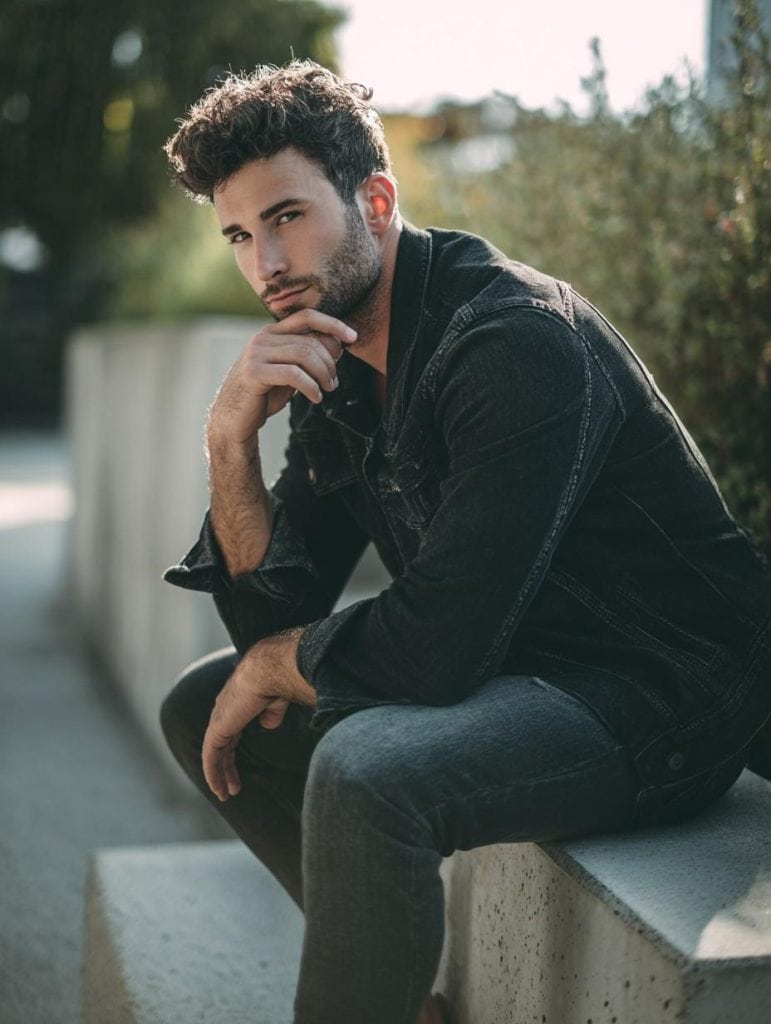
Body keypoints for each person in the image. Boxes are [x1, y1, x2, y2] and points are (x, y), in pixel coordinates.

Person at [159, 60, 771, 1024]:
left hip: (662, 694)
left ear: (375, 198)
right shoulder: (336, 355)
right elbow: (271, 629)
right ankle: (395, 997)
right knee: (204, 706)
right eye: (240, 234)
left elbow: (433, 652)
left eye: (286, 217)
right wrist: (227, 444)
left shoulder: (515, 341)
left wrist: (281, 658)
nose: (265, 266)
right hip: (520, 665)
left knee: (370, 775)